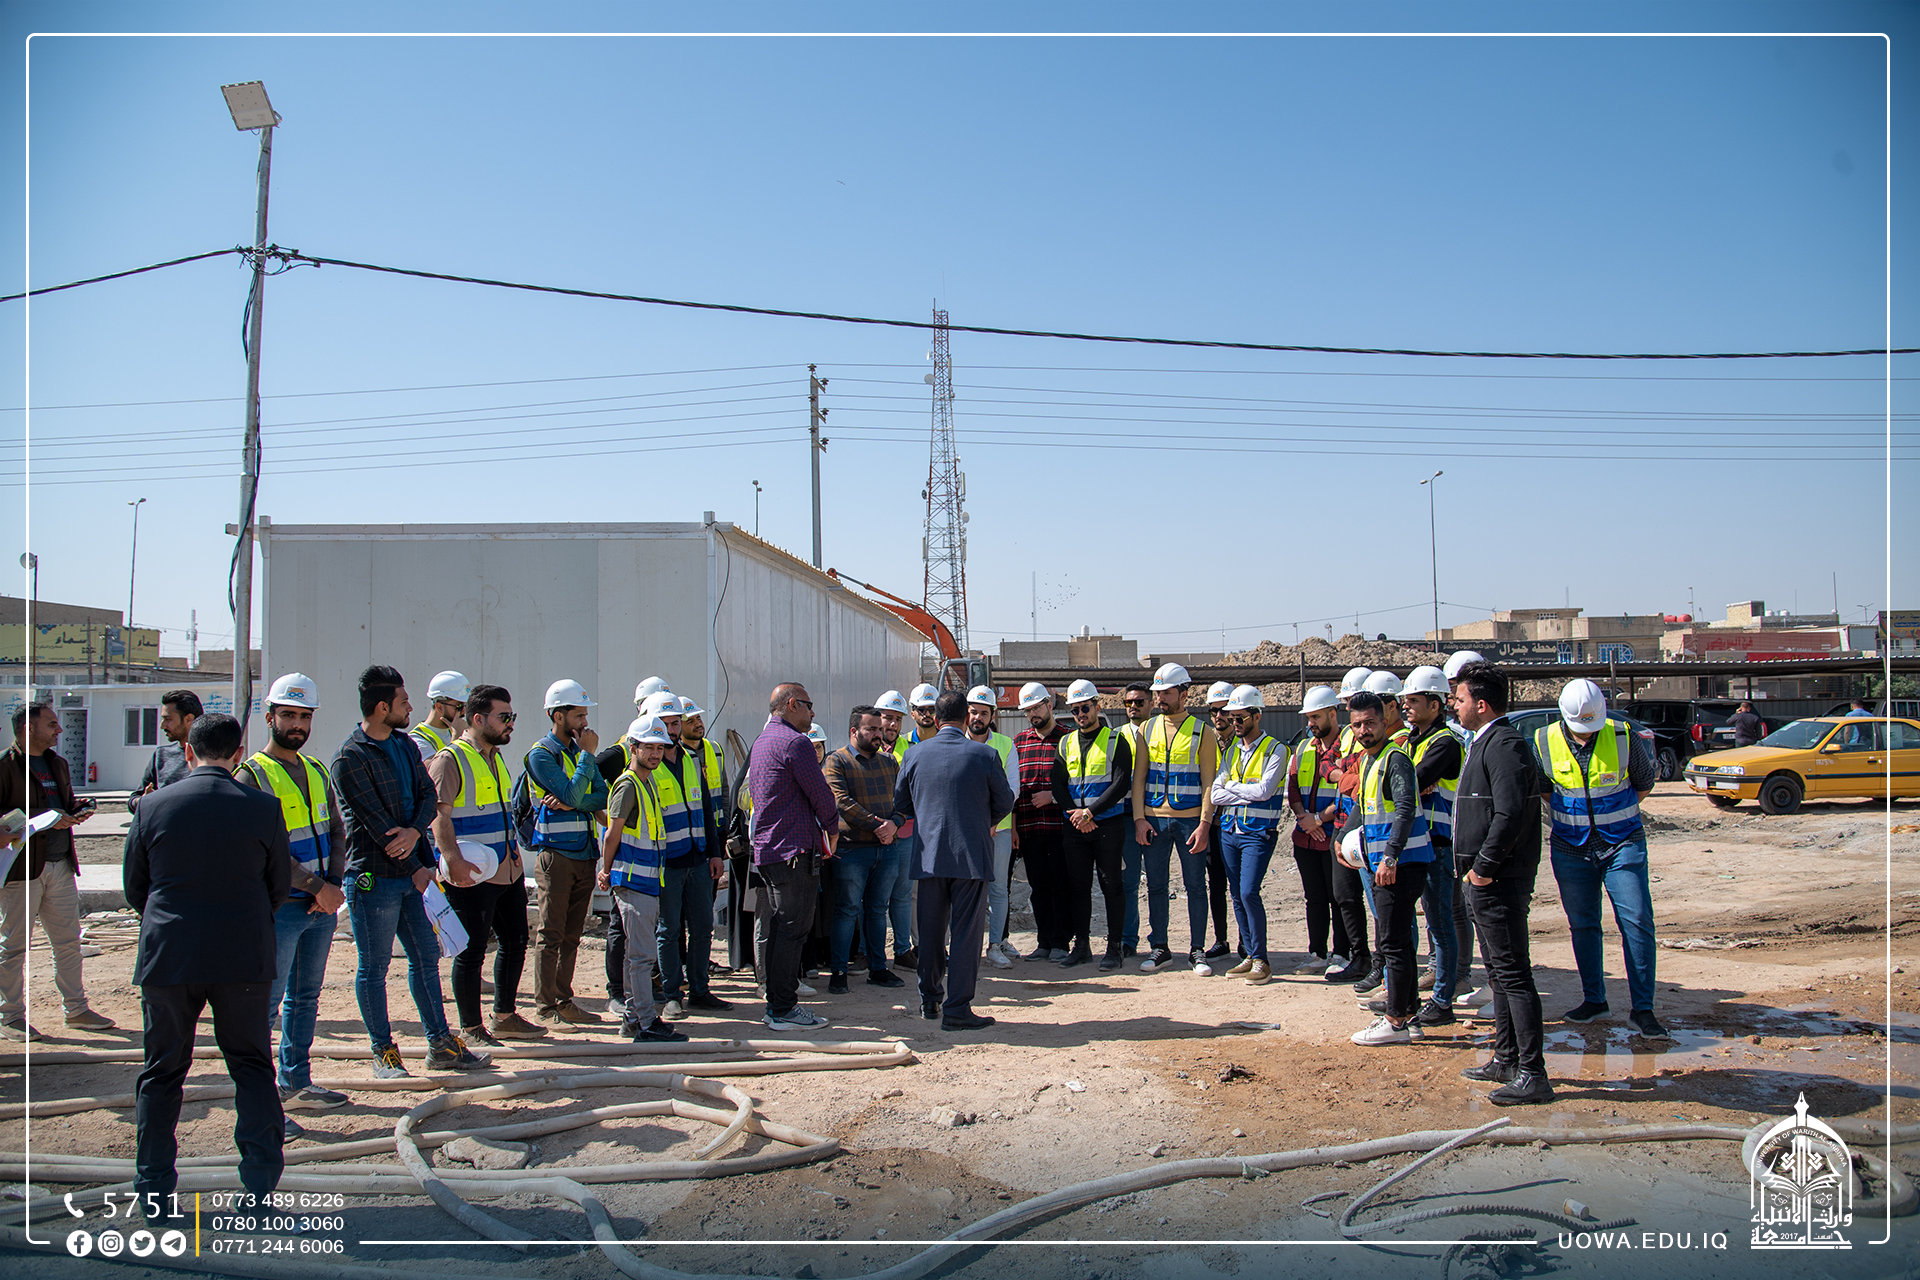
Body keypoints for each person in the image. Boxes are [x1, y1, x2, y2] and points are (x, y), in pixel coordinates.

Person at [124, 713, 289, 1221]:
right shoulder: (263, 807)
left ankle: (154, 1194)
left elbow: (136, 886)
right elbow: (278, 886)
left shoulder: (153, 805)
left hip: (170, 955)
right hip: (242, 956)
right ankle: (258, 1192)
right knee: (252, 1067)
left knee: (162, 1072)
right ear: (239, 754)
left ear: (188, 752)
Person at [333, 665, 489, 1077]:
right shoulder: (350, 758)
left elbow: (426, 796)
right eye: (404, 702)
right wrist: (415, 864)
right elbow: (378, 825)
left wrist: (418, 844)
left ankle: (440, 1044)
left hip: (412, 875)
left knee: (425, 957)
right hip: (374, 879)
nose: (411, 708)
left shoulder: (404, 745)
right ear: (382, 708)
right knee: (374, 967)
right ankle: (383, 1052)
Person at [233, 674, 349, 1121]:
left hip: (319, 907)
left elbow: (335, 829)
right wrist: (319, 887)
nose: (297, 724)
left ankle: (296, 1081)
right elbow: (265, 848)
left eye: (304, 715)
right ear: (270, 717)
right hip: (281, 908)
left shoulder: (316, 770)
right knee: (267, 1004)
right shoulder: (252, 775)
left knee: (305, 998)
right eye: (288, 715)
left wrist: (332, 884)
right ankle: (259, 1099)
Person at [1536, 679, 1667, 1040]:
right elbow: (1545, 790)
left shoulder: (1622, 735)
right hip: (1570, 846)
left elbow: (1643, 783)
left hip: (1622, 842)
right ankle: (1594, 1000)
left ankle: (1643, 1010)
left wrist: (1612, 815)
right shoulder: (1544, 740)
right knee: (1583, 924)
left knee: (1637, 922)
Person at [1450, 662, 1552, 1105]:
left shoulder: (1505, 745)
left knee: (1513, 973)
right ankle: (1507, 1058)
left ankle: (1533, 1073)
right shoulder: (1486, 742)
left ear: (1481, 704)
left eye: (1460, 699)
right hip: (1483, 879)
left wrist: (1484, 868)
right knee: (1498, 973)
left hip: (1499, 880)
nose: (1455, 705)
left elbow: (1510, 814)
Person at [427, 683, 544, 1046]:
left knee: (516, 940)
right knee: (472, 950)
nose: (511, 723)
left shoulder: (494, 757)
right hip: (471, 874)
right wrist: (453, 860)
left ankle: (504, 1017)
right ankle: (471, 1028)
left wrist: (513, 854)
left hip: (505, 869)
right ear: (478, 719)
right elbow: (438, 816)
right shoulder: (450, 759)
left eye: (512, 716)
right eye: (504, 716)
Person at [895, 689, 1015, 1031]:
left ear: (935, 719)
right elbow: (1005, 802)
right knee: (965, 934)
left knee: (931, 931)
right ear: (966, 719)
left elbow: (901, 804)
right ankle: (958, 1008)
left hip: (929, 857)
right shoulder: (985, 754)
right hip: (971, 857)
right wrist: (980, 820)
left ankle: (930, 1000)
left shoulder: (914, 755)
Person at [0, 702, 111, 1038]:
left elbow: (63, 803)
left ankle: (76, 1010)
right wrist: (42, 818)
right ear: (28, 728)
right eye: (51, 724)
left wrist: (78, 810)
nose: (59, 730)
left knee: (67, 943)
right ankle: (9, 1017)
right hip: (22, 869)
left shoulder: (57, 764)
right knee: (13, 947)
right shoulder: (5, 766)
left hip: (60, 864)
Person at [1345, 690, 1433, 1047]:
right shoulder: (1371, 759)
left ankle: (1395, 1022)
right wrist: (1344, 839)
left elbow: (1406, 808)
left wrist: (1390, 857)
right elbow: (1366, 809)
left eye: (1369, 723)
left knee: (1392, 943)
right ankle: (1409, 1015)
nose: (1363, 730)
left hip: (1400, 864)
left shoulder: (1394, 758)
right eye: (1357, 725)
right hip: (1388, 863)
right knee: (1398, 942)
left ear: (1385, 721)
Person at [748, 682, 838, 1031]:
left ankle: (776, 1003)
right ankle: (783, 1008)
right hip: (793, 850)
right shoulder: (794, 742)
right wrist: (832, 830)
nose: (812, 713)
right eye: (808, 705)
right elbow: (821, 794)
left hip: (771, 850)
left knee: (781, 927)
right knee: (793, 929)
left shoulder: (763, 740)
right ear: (791, 704)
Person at [596, 715, 688, 1043]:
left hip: (646, 880)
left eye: (659, 748)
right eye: (648, 747)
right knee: (641, 956)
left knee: (638, 953)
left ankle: (634, 1020)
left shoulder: (645, 783)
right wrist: (605, 870)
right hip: (633, 880)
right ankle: (646, 1022)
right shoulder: (628, 785)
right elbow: (613, 833)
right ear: (633, 748)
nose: (655, 753)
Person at [525, 678, 610, 1029]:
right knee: (551, 934)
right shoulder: (541, 755)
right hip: (556, 856)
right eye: (579, 715)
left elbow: (601, 797)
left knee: (573, 934)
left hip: (584, 854)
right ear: (557, 716)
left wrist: (574, 801)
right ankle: (546, 1007)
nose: (585, 723)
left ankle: (564, 999)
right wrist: (586, 761)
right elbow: (577, 795)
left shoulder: (577, 754)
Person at [1128, 663, 1221, 974]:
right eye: (1158, 693)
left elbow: (1209, 783)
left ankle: (1197, 950)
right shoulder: (1147, 729)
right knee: (1156, 886)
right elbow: (1139, 777)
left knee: (1196, 886)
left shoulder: (1202, 732)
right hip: (1154, 820)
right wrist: (1139, 819)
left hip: (1190, 821)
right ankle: (1160, 948)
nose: (1160, 699)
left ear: (1184, 694)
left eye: (1166, 693)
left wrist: (1205, 824)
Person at [650, 692, 728, 1021]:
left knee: (702, 927)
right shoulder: (647, 764)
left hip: (697, 858)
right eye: (666, 724)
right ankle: (672, 994)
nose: (672, 730)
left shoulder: (692, 759)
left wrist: (714, 853)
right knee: (669, 930)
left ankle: (700, 990)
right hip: (667, 862)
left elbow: (706, 808)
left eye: (675, 723)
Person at [821, 705, 908, 994]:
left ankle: (878, 968)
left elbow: (904, 799)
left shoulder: (889, 762)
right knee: (847, 910)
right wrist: (878, 825)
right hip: (851, 852)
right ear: (854, 731)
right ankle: (838, 971)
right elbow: (840, 801)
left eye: (880, 729)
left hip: (887, 850)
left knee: (877, 910)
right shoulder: (837, 761)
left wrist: (894, 824)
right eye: (871, 729)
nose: (878, 734)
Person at [1052, 680, 1132, 970]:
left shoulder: (1115, 740)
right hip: (1075, 827)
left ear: (1097, 706)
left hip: (1107, 826)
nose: (1080, 714)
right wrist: (1077, 814)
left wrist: (1090, 813)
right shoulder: (1065, 743)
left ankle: (1114, 948)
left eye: (1085, 708)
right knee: (1078, 887)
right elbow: (1058, 784)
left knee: (1112, 886)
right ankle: (1082, 946)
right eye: (1075, 710)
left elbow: (1120, 783)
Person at [1208, 685, 1284, 984]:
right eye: (1232, 717)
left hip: (1257, 833)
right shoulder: (1232, 752)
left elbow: (1265, 792)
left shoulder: (1276, 750)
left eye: (1241, 717)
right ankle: (1250, 955)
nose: (1235, 722)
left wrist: (1232, 788)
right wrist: (1243, 792)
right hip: (1230, 831)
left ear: (1257, 715)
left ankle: (1262, 960)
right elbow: (1215, 794)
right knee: (1237, 894)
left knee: (1250, 892)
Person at [1402, 666, 1464, 1027]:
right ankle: (1408, 995)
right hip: (1415, 840)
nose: (1406, 707)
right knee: (1413, 921)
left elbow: (1411, 781)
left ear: (1435, 705)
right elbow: (1401, 781)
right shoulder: (1412, 742)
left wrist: (1412, 781)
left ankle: (1443, 1000)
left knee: (1440, 923)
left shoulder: (1445, 743)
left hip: (1438, 842)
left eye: (1414, 700)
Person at [1286, 686, 1351, 976]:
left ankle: (1342, 953)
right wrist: (1304, 818)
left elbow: (1350, 791)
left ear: (1333, 714)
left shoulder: (1348, 747)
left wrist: (1319, 820)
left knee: (1339, 898)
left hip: (1333, 834)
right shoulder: (1303, 748)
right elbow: (1293, 786)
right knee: (1314, 898)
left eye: (1316, 717)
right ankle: (1317, 952)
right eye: (1309, 717)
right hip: (1306, 836)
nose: (1311, 723)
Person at [1011, 682, 1071, 961]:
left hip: (1060, 828)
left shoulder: (1068, 739)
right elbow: (1013, 788)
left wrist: (1053, 797)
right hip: (1029, 829)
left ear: (1049, 704)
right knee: (1039, 888)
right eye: (1028, 711)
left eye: (1036, 708)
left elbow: (1078, 782)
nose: (1033, 714)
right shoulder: (1019, 743)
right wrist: (1014, 828)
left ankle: (1061, 943)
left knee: (1062, 887)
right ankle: (1044, 942)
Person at [964, 686, 1021, 968]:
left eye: (983, 713)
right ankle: (966, 946)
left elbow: (1012, 790)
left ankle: (996, 944)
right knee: (966, 889)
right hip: (966, 831)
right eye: (973, 712)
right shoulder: (955, 743)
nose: (978, 717)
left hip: (999, 831)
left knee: (998, 889)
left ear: (992, 715)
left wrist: (993, 821)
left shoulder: (1005, 744)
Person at [873, 689, 919, 970]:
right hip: (873, 835)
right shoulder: (866, 748)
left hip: (904, 834)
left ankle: (902, 950)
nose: (892, 724)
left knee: (902, 895)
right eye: (888, 717)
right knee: (874, 899)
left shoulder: (910, 750)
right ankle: (871, 953)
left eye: (898, 719)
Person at [1115, 681, 1154, 956]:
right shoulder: (1116, 736)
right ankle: (1128, 940)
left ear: (1151, 704)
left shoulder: (1161, 733)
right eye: (1128, 702)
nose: (1133, 707)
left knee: (1158, 882)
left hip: (1157, 814)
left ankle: (1160, 942)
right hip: (1126, 817)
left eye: (1139, 702)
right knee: (1128, 881)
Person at [132, 690, 203, 813]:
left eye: (168, 719)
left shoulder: (214, 754)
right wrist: (144, 801)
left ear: (189, 719)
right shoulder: (161, 755)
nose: (162, 726)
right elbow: (134, 800)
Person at [410, 671, 470, 760]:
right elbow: (435, 768)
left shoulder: (454, 730)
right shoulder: (417, 740)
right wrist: (457, 737)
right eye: (459, 706)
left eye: (465, 705)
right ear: (439, 707)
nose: (463, 711)